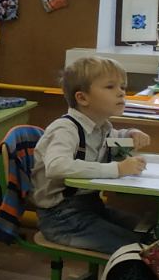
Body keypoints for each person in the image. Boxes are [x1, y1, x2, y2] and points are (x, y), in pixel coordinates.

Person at [31, 56, 150, 253]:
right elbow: (56, 166)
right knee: (138, 249)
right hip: (61, 219)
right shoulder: (65, 129)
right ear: (82, 98)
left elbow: (111, 143)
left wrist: (130, 134)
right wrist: (117, 169)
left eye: (122, 86)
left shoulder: (102, 127)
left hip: (91, 208)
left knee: (149, 231)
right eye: (110, 87)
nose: (121, 92)